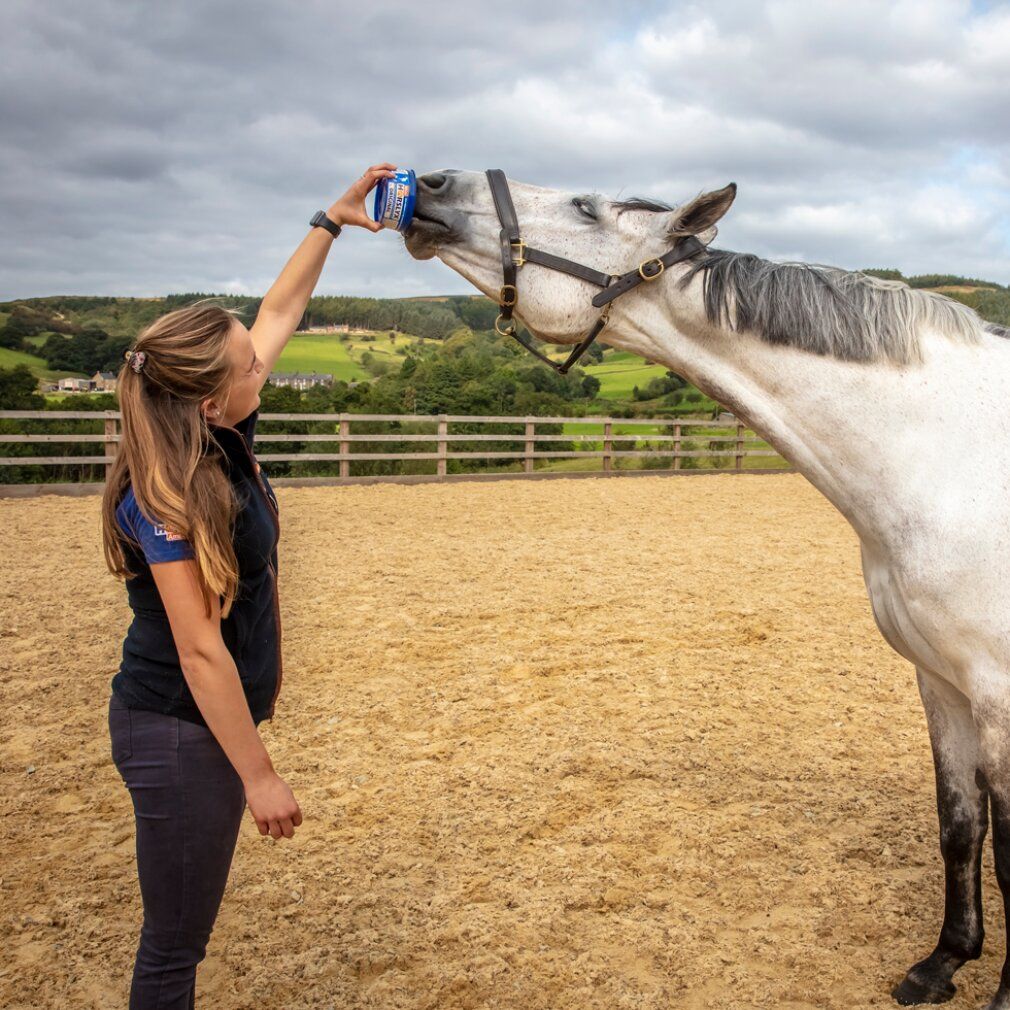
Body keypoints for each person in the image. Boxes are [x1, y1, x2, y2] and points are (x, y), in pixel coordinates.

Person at [101, 163, 397, 1009]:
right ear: (208, 401)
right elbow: (199, 650)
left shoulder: (218, 428)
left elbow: (278, 312)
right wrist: (260, 773)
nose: (262, 366)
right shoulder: (161, 497)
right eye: (247, 367)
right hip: (179, 730)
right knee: (173, 947)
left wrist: (330, 221)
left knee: (180, 938)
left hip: (204, 728)